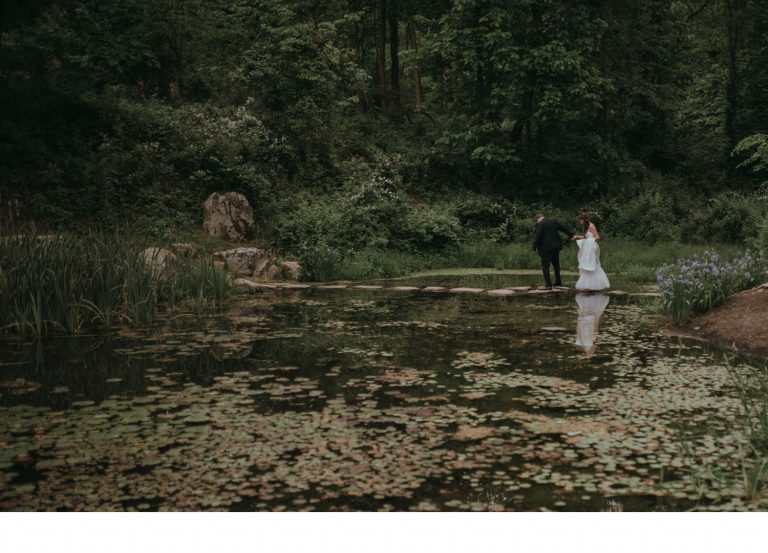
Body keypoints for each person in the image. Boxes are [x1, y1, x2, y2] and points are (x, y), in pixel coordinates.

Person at [532, 213, 576, 289]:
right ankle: (558, 282)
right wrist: (571, 235)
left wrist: (534, 247)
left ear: (537, 219)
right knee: (556, 265)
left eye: (536, 222)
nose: (536, 223)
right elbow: (563, 228)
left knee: (545, 267)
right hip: (556, 247)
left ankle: (548, 285)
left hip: (546, 248)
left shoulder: (540, 224)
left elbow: (538, 236)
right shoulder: (553, 221)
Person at [573, 212, 610, 291]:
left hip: (591, 248)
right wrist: (577, 236)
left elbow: (597, 237)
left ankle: (594, 284)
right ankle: (587, 284)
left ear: (584, 219)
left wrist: (588, 242)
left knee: (591, 264)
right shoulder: (586, 226)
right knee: (585, 265)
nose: (580, 222)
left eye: (581, 220)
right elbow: (585, 237)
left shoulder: (591, 226)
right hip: (587, 248)